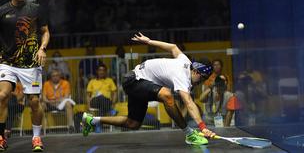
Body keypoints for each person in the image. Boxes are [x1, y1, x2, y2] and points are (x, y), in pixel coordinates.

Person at [81, 32, 215, 145]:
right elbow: (189, 103)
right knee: (167, 95)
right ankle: (189, 134)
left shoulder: (185, 61)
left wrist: (149, 41)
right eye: (202, 78)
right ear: (197, 72)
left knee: (132, 123)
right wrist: (202, 127)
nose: (201, 82)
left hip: (140, 83)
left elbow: (173, 47)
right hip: (134, 80)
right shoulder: (182, 76)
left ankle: (92, 120)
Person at [0, 0, 50, 151]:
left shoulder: (36, 9)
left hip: (31, 64)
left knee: (34, 102)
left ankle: (36, 138)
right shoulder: (2, 11)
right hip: (7, 62)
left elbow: (45, 32)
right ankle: (0, 136)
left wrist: (42, 48)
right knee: (2, 96)